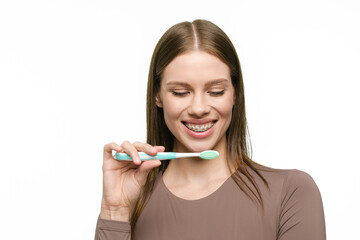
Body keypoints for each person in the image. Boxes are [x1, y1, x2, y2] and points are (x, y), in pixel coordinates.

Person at [94, 19, 326, 240]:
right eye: (180, 92)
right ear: (158, 96)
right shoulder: (130, 204)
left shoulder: (291, 192)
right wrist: (115, 213)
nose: (198, 108)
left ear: (235, 93)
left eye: (215, 91)